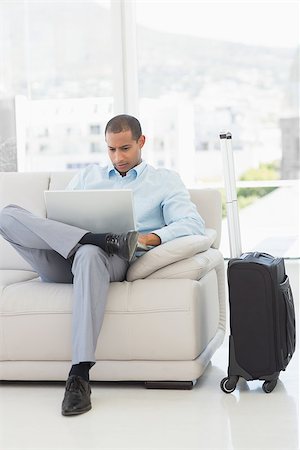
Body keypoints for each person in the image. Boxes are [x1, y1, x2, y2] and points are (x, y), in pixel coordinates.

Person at [0, 114, 205, 416]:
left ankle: (79, 375)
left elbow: (193, 223)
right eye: (111, 149)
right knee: (7, 214)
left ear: (141, 142)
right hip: (61, 259)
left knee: (89, 254)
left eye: (125, 148)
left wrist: (149, 238)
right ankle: (100, 238)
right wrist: (80, 235)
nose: (118, 157)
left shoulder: (164, 180)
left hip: (108, 263)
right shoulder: (87, 176)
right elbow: (54, 220)